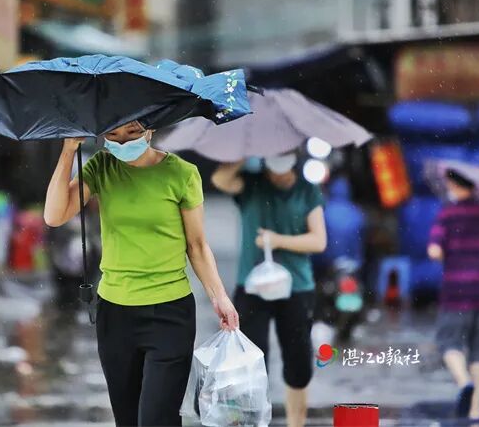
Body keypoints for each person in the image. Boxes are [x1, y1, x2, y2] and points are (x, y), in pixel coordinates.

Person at [43, 120, 239, 427]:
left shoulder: (182, 173)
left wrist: (220, 297)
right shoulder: (101, 167)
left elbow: (197, 246)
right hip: (115, 315)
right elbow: (54, 215)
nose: (122, 142)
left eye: (133, 132)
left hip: (170, 314)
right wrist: (68, 150)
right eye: (113, 134)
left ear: (150, 130)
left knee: (156, 419)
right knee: (129, 420)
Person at [212, 152, 326, 427]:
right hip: (252, 288)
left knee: (298, 365)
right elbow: (220, 179)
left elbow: (318, 241)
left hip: (296, 288)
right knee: (250, 362)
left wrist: (278, 240)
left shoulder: (307, 190)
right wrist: (244, 152)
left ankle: (295, 423)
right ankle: (253, 421)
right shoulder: (251, 184)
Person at [427, 169, 479, 423]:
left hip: (457, 290)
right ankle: (476, 409)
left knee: (448, 341)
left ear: (452, 184)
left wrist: (447, 254)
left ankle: (464, 382)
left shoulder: (447, 213)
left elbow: (434, 251)